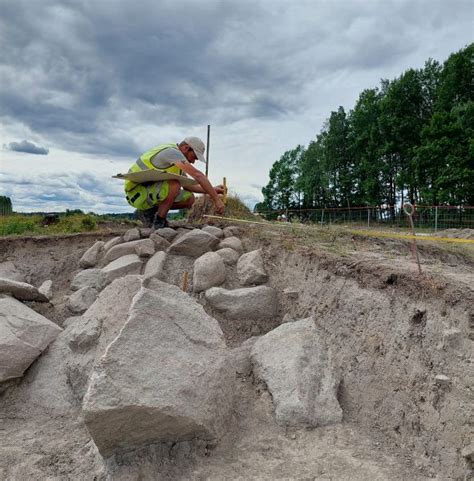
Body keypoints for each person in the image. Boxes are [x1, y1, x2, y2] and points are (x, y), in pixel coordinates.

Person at [124, 137, 225, 229]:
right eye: (194, 157)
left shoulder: (176, 164)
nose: (193, 162)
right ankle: (159, 222)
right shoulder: (172, 153)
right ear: (186, 148)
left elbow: (189, 186)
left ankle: (149, 212)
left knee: (190, 199)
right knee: (174, 185)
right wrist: (216, 199)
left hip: (148, 192)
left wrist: (214, 190)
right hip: (135, 192)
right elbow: (198, 175)